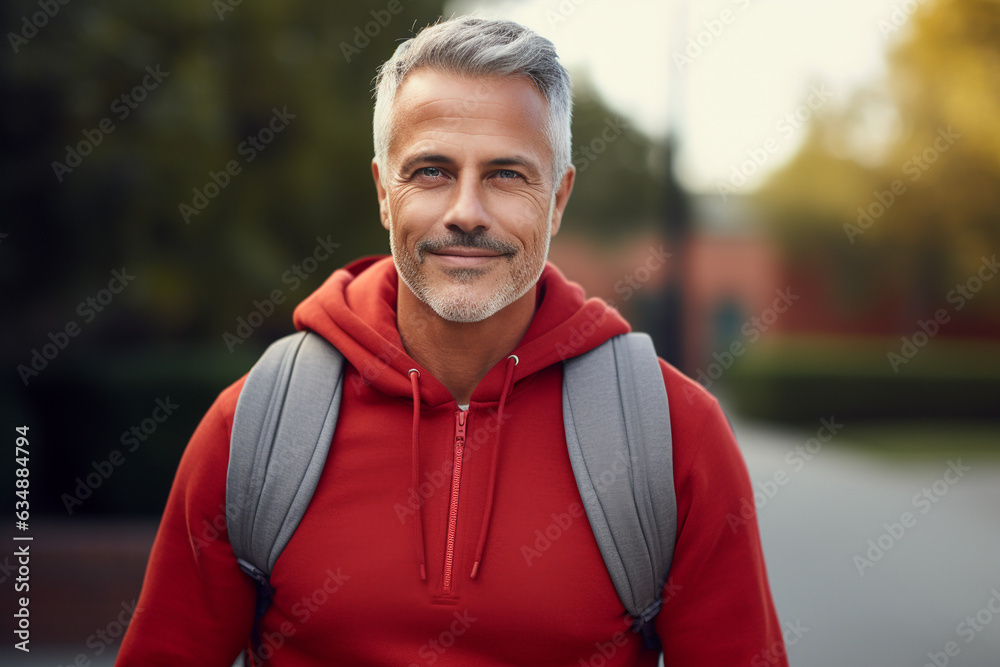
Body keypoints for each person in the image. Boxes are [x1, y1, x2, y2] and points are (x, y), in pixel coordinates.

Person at [116, 15, 787, 666]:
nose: (466, 212)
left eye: (506, 174)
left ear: (558, 198)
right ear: (384, 192)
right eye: (432, 171)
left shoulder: (674, 433)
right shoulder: (255, 426)